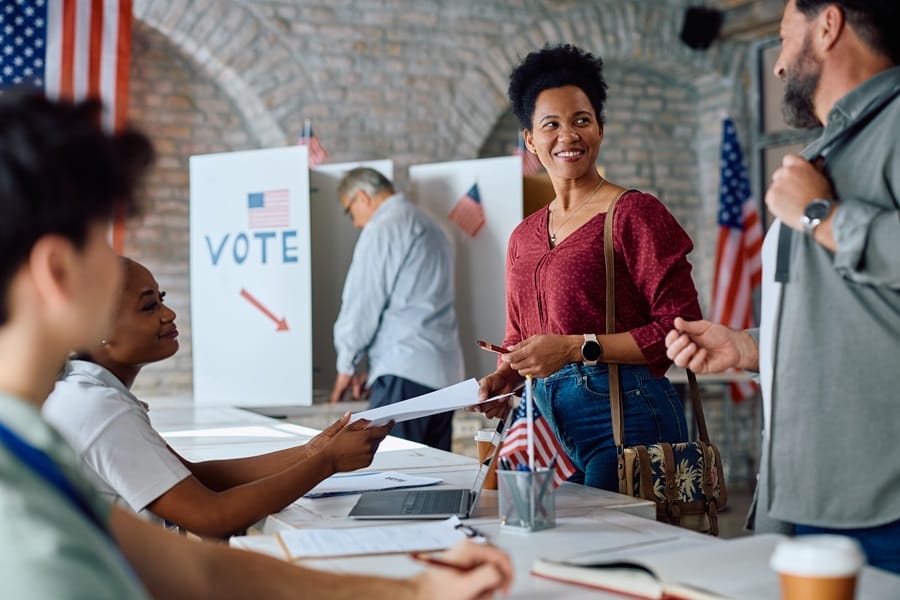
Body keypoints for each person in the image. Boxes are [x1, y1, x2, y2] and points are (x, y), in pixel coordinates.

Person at [0, 90, 513, 598]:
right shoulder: (76, 418)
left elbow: (198, 568)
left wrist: (414, 590)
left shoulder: (36, 438)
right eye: (100, 244)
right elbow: (206, 528)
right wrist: (324, 457)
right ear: (58, 270)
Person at [665, 0, 900, 574]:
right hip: (807, 490)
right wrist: (747, 347)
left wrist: (821, 214)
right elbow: (849, 315)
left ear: (828, 24)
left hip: (880, 499)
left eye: (782, 33)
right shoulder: (829, 146)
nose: (776, 65)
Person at [475, 44, 702, 491]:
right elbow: (519, 335)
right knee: (560, 555)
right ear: (529, 139)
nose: (568, 136)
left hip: (627, 412)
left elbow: (680, 329)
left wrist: (575, 348)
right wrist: (506, 373)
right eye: (551, 125)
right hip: (543, 422)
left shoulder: (634, 213)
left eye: (582, 120)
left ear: (600, 129)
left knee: (611, 555)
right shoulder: (523, 235)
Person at [43, 256, 393, 538]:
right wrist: (327, 463)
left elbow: (193, 477)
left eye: (161, 299)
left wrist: (311, 451)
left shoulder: (87, 392)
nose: (169, 314)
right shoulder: (100, 408)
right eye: (149, 307)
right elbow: (211, 517)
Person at [329, 167, 464, 451]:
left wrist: (347, 364)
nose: (355, 223)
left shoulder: (384, 226)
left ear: (362, 197)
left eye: (349, 211)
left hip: (404, 371)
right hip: (443, 376)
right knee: (434, 478)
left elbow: (363, 302)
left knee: (393, 475)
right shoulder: (430, 225)